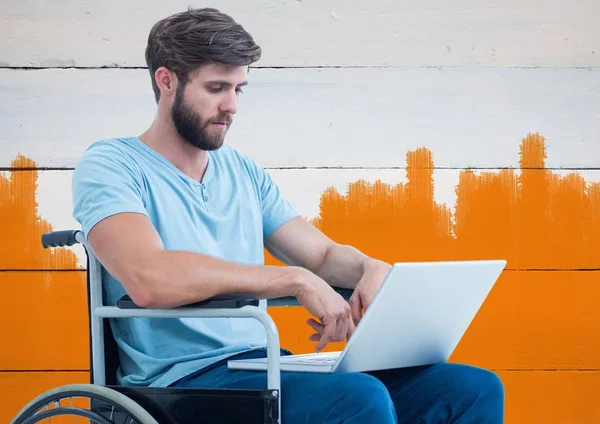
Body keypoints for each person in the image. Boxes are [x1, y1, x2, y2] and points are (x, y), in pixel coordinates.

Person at [71, 7, 504, 423]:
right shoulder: (111, 165)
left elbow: (319, 255)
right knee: (357, 399)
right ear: (166, 80)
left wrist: (370, 267)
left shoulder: (241, 170)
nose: (232, 106)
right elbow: (150, 278)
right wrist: (292, 279)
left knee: (472, 389)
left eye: (238, 89)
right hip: (181, 383)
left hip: (263, 367)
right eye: (217, 88)